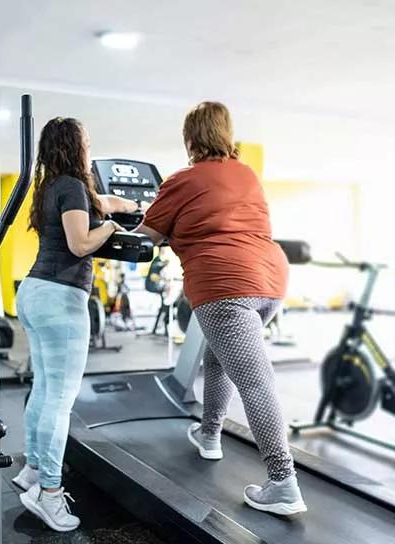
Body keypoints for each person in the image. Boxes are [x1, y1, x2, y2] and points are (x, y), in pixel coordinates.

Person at [133, 101, 306, 516]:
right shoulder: (246, 174)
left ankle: (283, 483)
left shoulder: (183, 180)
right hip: (271, 282)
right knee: (219, 360)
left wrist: (106, 230)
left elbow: (147, 236)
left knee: (255, 380)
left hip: (225, 286)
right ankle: (209, 436)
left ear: (190, 139)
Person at [12, 117, 140, 532]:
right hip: (59, 299)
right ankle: (49, 493)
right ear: (74, 146)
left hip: (34, 292)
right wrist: (111, 227)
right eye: (86, 141)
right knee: (59, 401)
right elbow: (80, 243)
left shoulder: (54, 186)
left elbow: (95, 201)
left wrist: (123, 205)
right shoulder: (70, 186)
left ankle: (32, 470)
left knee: (44, 389)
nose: (90, 146)